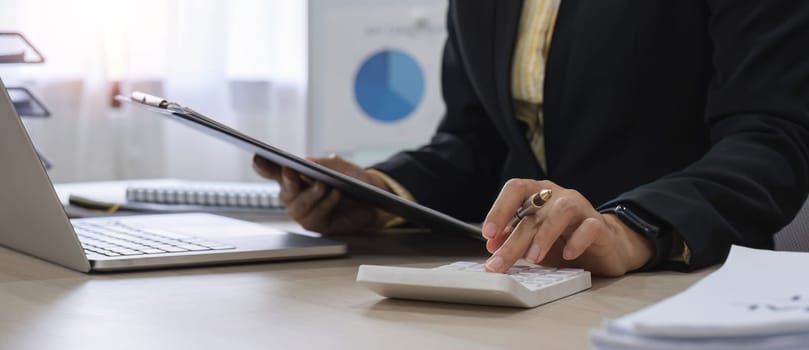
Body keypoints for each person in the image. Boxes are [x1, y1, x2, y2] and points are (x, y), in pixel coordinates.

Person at [254, 0, 809, 277]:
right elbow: (480, 142)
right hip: (526, 285)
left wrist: (633, 227)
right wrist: (381, 192)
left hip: (679, 283)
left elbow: (773, 135)